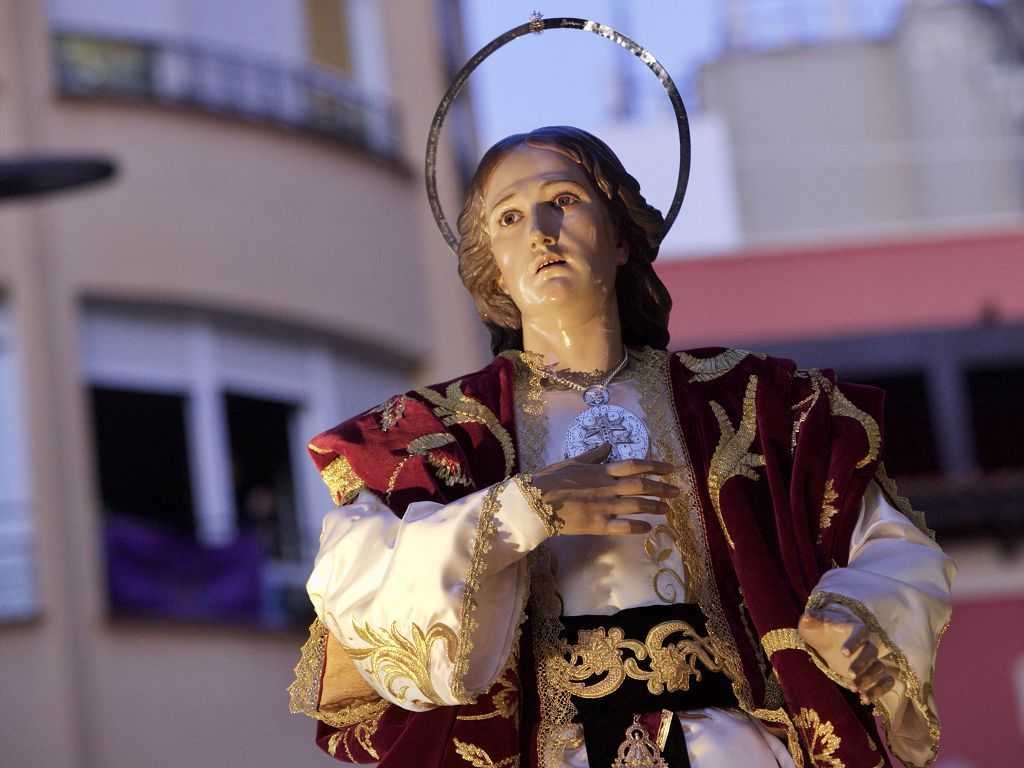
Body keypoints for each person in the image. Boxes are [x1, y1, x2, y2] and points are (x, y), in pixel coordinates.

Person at [289, 127, 954, 768]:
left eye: (565, 201)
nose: (541, 233)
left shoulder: (752, 404)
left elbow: (889, 544)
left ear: (621, 237)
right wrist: (519, 512)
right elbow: (354, 577)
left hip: (730, 745)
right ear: (490, 263)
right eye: (510, 218)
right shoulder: (440, 435)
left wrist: (856, 615)